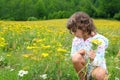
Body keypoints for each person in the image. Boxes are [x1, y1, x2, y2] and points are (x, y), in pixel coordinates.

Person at [66, 12, 109, 80]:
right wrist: (79, 53)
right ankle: (84, 79)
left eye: (74, 30)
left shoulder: (99, 40)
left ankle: (102, 77)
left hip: (96, 68)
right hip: (84, 68)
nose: (73, 33)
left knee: (100, 74)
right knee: (76, 57)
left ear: (84, 27)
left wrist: (93, 58)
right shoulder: (76, 40)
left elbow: (99, 62)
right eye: (71, 31)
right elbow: (73, 56)